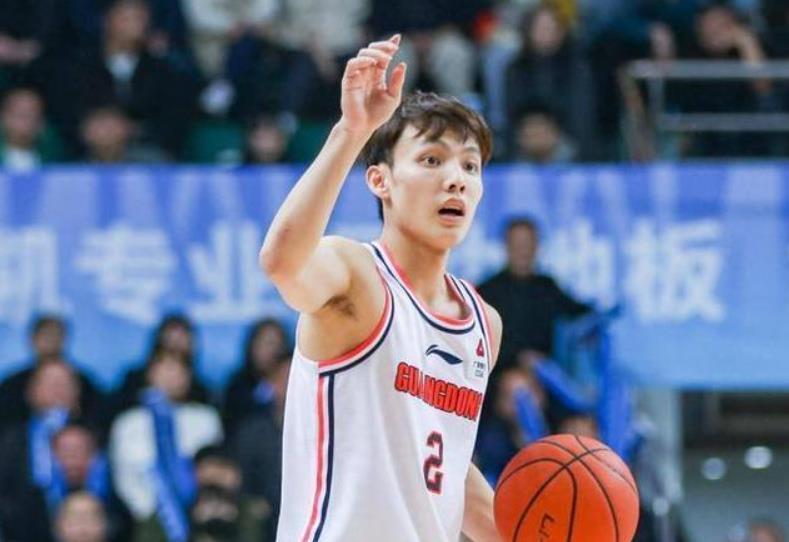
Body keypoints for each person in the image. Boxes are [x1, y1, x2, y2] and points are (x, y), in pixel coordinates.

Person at [259, 34, 502, 541]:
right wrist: (351, 131)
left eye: (470, 165)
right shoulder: (356, 274)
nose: (456, 179)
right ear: (380, 181)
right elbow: (282, 262)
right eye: (432, 160)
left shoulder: (483, 323)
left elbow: (447, 470)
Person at [478, 217, 592, 370]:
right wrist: (518, 357)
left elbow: (579, 312)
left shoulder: (547, 287)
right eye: (517, 244)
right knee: (518, 383)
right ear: (506, 246)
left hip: (543, 371)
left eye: (528, 243)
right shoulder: (486, 292)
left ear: (537, 246)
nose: (523, 250)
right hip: (500, 372)